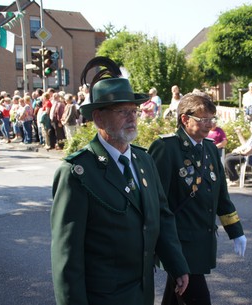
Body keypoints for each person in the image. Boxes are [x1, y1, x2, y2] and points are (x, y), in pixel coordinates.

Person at [51, 56, 189, 305]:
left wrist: (176, 264)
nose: (132, 118)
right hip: (103, 297)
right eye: (122, 111)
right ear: (99, 118)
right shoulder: (77, 172)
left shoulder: (144, 160)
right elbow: (67, 256)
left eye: (134, 111)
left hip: (143, 292)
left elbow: (162, 216)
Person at [148, 92, 247, 305]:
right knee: (197, 298)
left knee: (176, 295)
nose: (209, 124)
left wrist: (235, 230)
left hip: (202, 239)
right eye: (204, 119)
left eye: (212, 119)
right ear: (185, 119)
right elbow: (155, 201)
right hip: (179, 242)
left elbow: (221, 195)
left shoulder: (209, 148)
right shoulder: (167, 148)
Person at [224, 120, 252, 186]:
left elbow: (247, 152)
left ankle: (235, 179)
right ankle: (233, 177)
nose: (250, 128)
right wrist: (239, 134)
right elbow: (245, 145)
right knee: (228, 156)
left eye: (251, 127)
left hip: (250, 157)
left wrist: (238, 151)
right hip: (248, 155)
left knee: (228, 160)